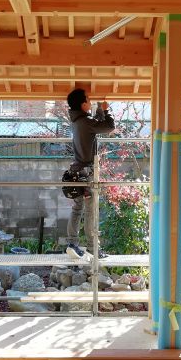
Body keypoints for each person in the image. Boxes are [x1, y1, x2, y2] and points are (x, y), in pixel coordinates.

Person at [65, 87, 115, 259]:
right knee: (90, 211)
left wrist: (100, 110)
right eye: (88, 99)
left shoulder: (77, 120)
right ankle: (93, 249)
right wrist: (106, 111)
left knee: (77, 208)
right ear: (82, 104)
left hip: (76, 171)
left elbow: (97, 124)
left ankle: (72, 244)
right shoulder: (86, 122)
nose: (90, 101)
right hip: (87, 172)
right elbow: (109, 126)